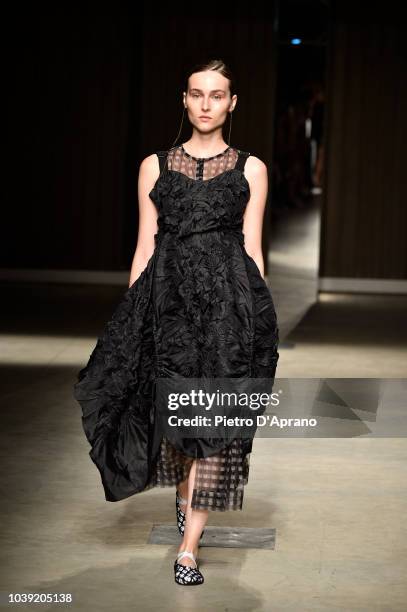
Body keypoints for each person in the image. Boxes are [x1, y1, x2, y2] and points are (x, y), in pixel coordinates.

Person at [73, 59, 280, 586]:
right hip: (167, 310)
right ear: (184, 101)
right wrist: (131, 321)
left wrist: (258, 319)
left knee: (218, 427)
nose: (206, 103)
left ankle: (188, 549)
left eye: (217, 95)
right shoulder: (156, 166)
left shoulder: (251, 169)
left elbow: (253, 249)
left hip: (228, 313)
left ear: (232, 103)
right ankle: (186, 502)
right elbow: (145, 246)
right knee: (176, 423)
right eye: (196, 94)